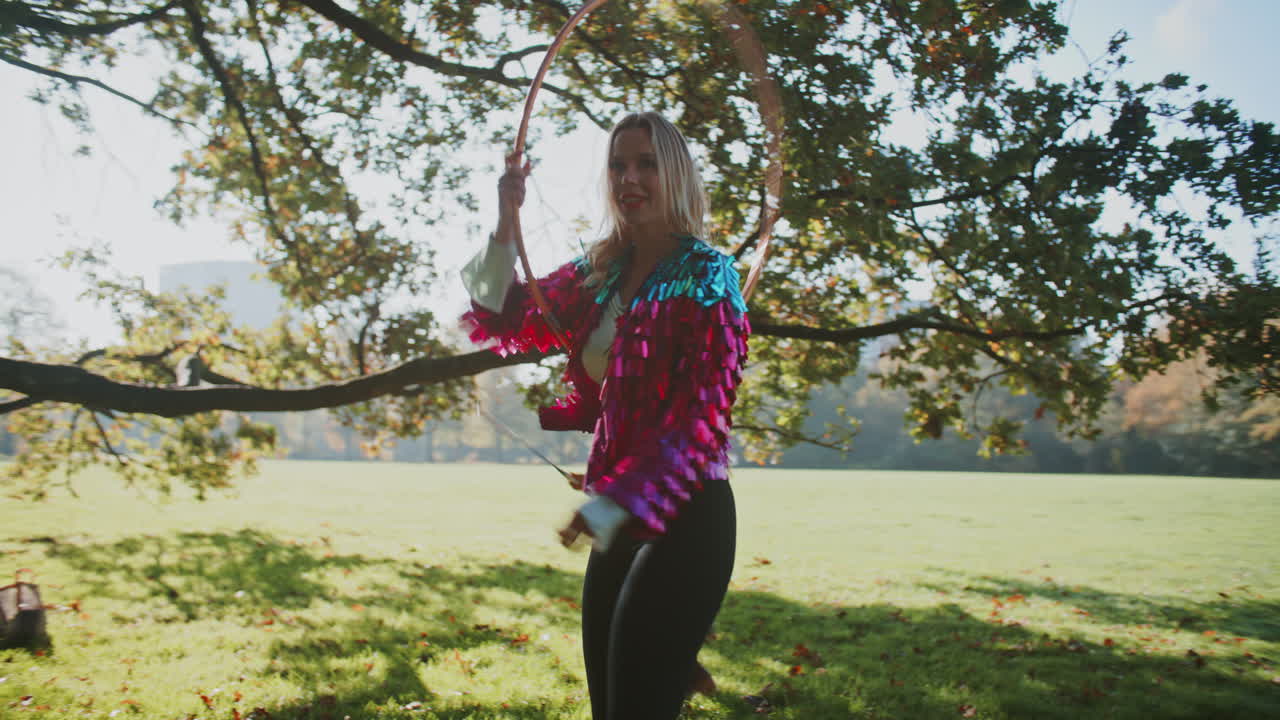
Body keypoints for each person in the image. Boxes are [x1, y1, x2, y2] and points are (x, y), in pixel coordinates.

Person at [460, 111, 749, 720]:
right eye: (618, 165)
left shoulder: (709, 276)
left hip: (687, 517)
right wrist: (505, 223)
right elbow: (496, 313)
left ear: (675, 175)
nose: (629, 179)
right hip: (614, 519)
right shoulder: (600, 273)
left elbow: (702, 420)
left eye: (646, 164)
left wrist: (614, 498)